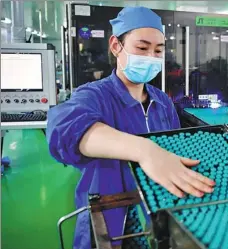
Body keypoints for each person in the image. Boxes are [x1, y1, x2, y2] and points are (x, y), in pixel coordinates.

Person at [46, 7, 215, 249]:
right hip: (110, 224)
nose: (151, 57)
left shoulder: (163, 102)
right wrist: (144, 150)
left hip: (156, 217)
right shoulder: (95, 96)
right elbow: (62, 130)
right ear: (116, 46)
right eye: (142, 48)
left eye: (158, 50)